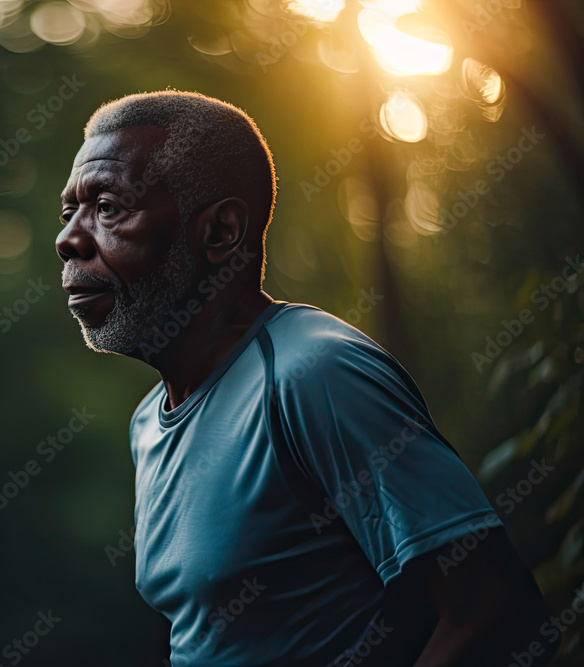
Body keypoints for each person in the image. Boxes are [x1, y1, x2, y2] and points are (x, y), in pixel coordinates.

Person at [55, 90, 555, 666]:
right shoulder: (149, 421)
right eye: (70, 214)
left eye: (109, 208)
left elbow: (499, 613)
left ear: (219, 233)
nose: (68, 239)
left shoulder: (315, 374)